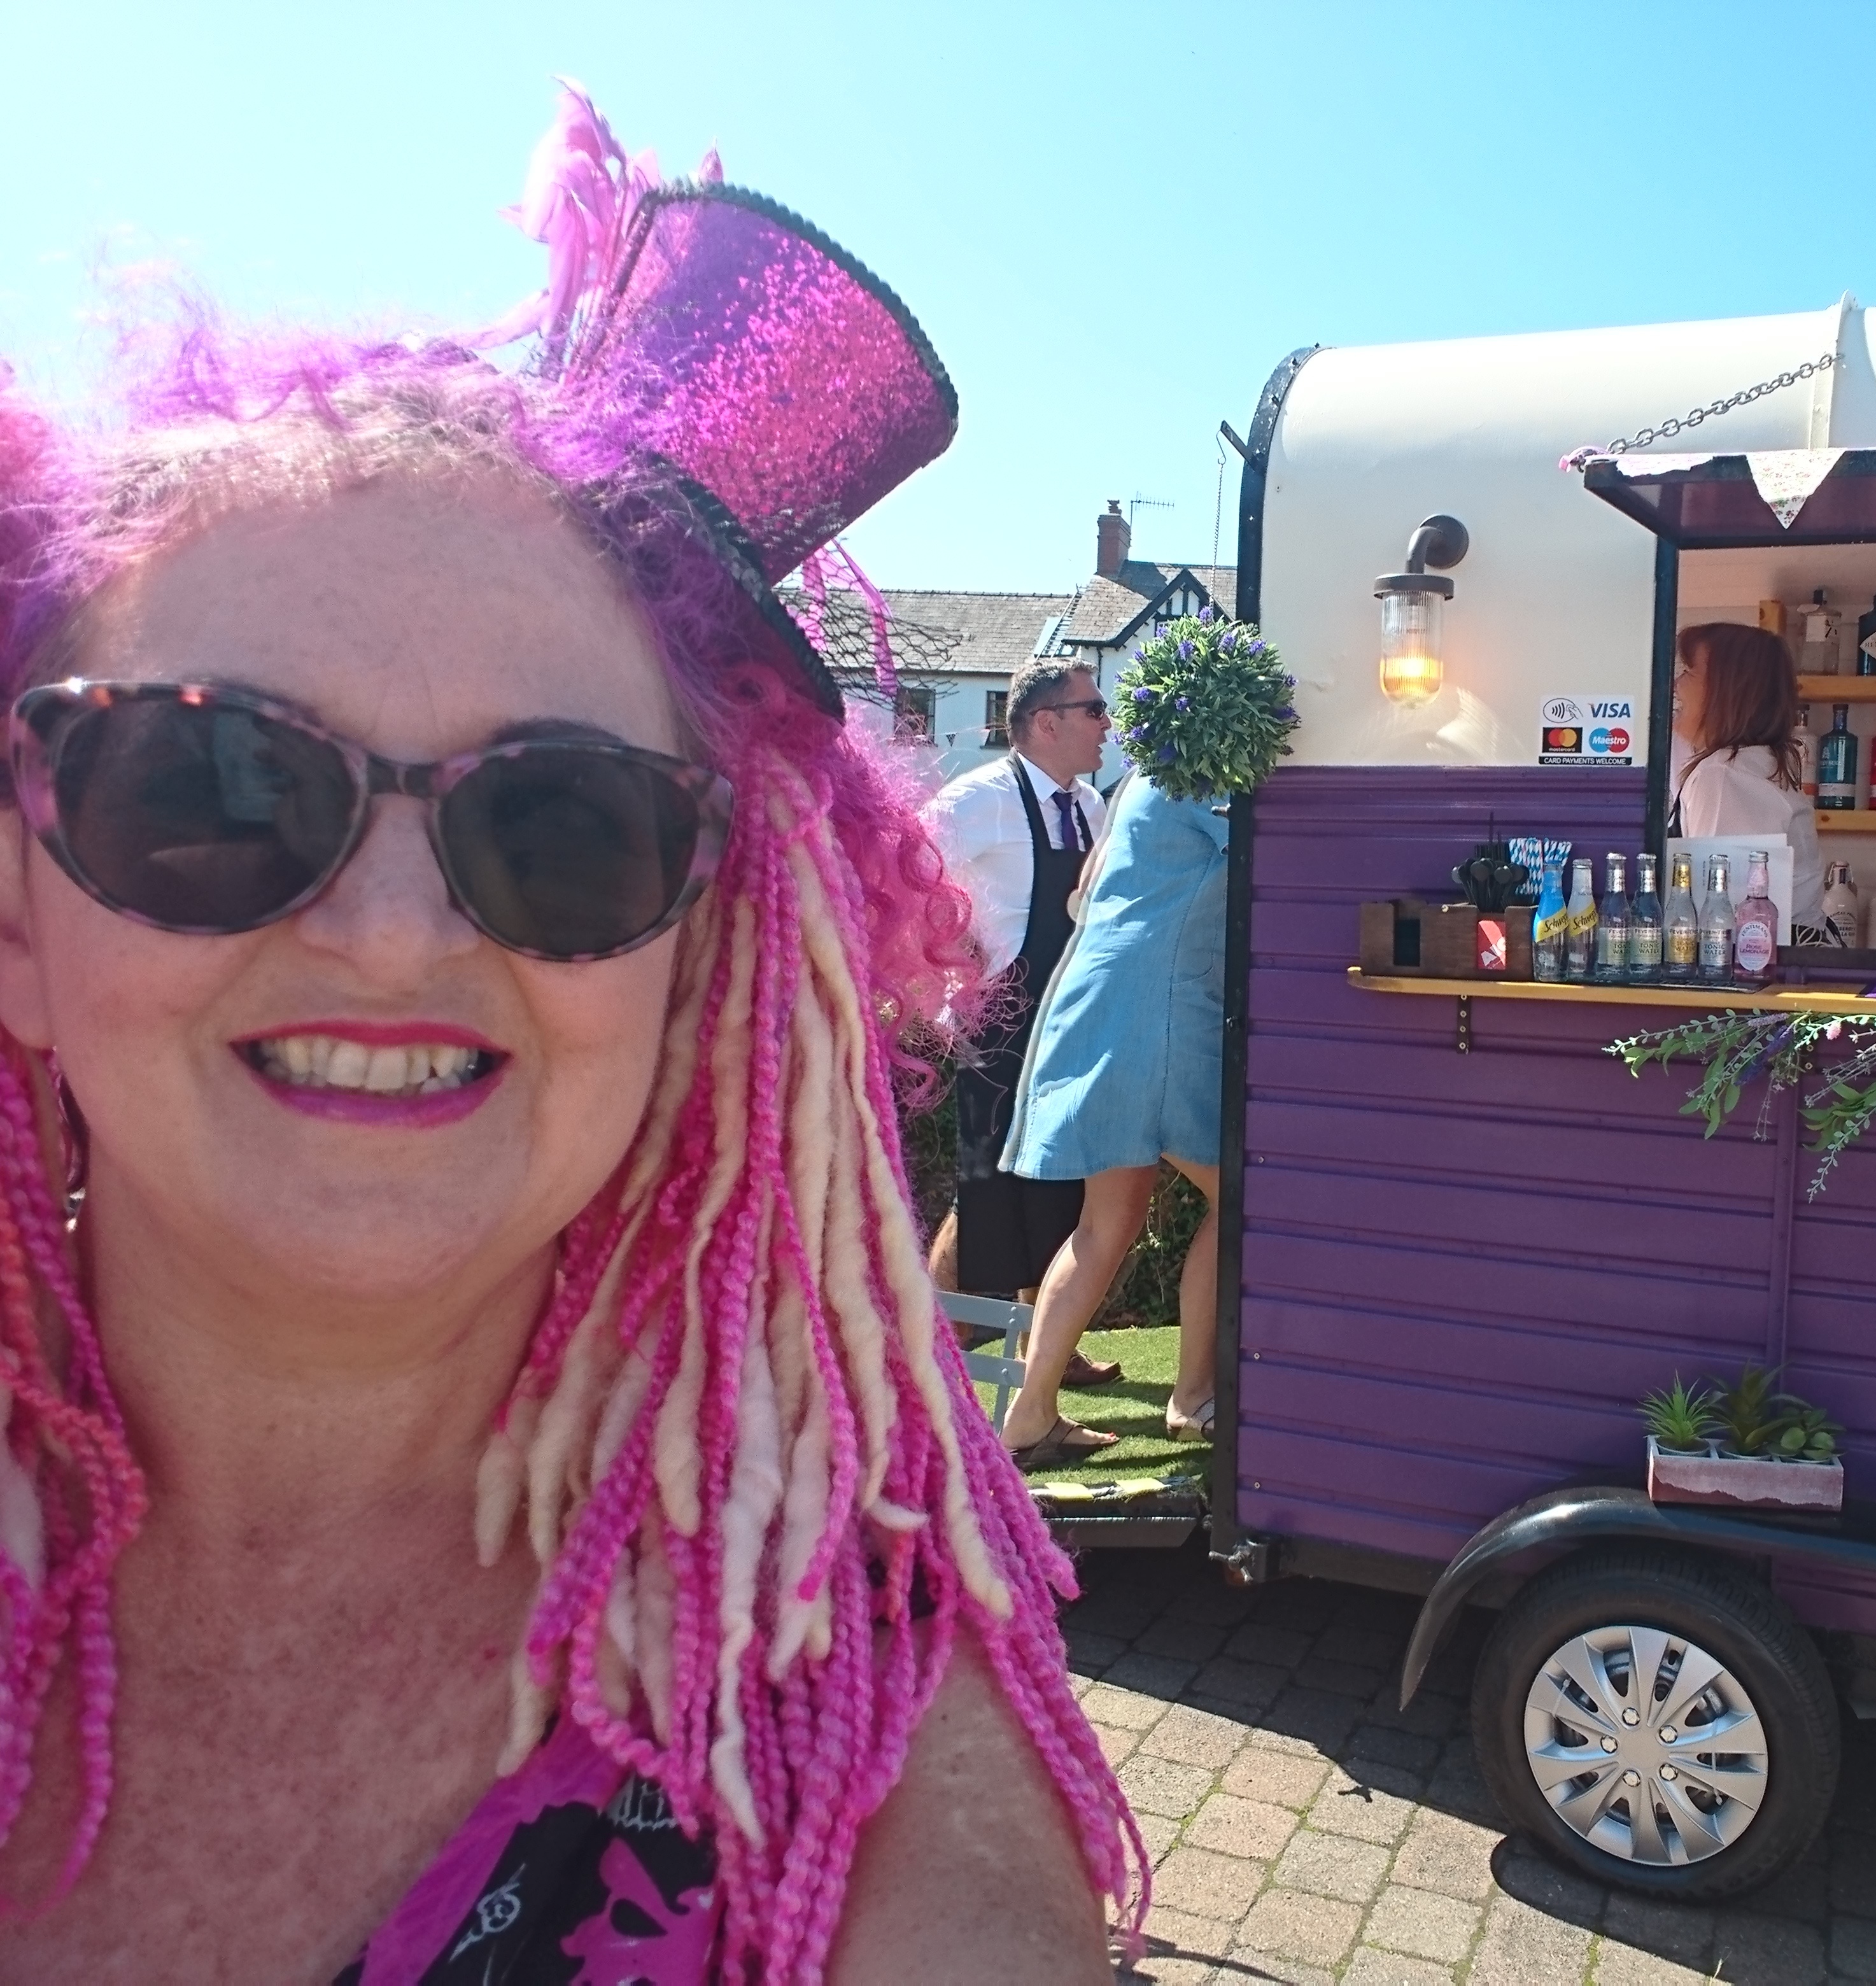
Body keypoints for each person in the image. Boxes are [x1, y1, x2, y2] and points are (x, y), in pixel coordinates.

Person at [0, 95, 1133, 1984]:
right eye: (210, 783)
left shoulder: (843, 1727)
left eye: (560, 821)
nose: (387, 932)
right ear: (17, 922)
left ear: (697, 960)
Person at [994, 614, 1295, 1468]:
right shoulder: (1205, 781)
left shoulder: (1139, 781)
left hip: (1100, 1005)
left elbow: (1084, 897)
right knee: (1240, 1201)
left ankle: (1028, 1416)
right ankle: (1193, 1399)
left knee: (1106, 1221)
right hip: (1159, 1011)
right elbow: (1286, 866)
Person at [922, 658, 1118, 1381]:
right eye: (1093, 710)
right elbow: (901, 880)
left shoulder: (1090, 806)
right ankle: (924, 1351)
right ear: (1046, 723)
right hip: (1000, 1021)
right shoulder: (976, 800)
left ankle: (1046, 1351)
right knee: (986, 1191)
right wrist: (951, 964)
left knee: (1057, 1184)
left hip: (1067, 1019)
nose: (1107, 725)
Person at [1668, 621, 1825, 931]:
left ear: (1726, 691)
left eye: (1689, 672)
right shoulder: (1747, 765)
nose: (1676, 685)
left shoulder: (1725, 776)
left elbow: (1722, 920)